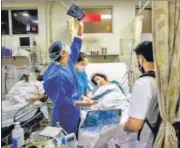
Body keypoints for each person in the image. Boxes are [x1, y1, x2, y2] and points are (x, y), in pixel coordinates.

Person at [43, 21, 96, 135]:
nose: (68, 48)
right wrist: (83, 104)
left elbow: (76, 45)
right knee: (65, 141)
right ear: (63, 53)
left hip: (74, 111)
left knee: (73, 139)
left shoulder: (68, 62)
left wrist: (80, 26)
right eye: (65, 48)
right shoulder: (58, 76)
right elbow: (62, 101)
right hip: (65, 117)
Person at [121, 41, 159, 148]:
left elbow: (134, 125)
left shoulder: (144, 82)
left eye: (137, 59)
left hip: (150, 140)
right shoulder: (166, 79)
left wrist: (124, 125)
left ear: (141, 58)